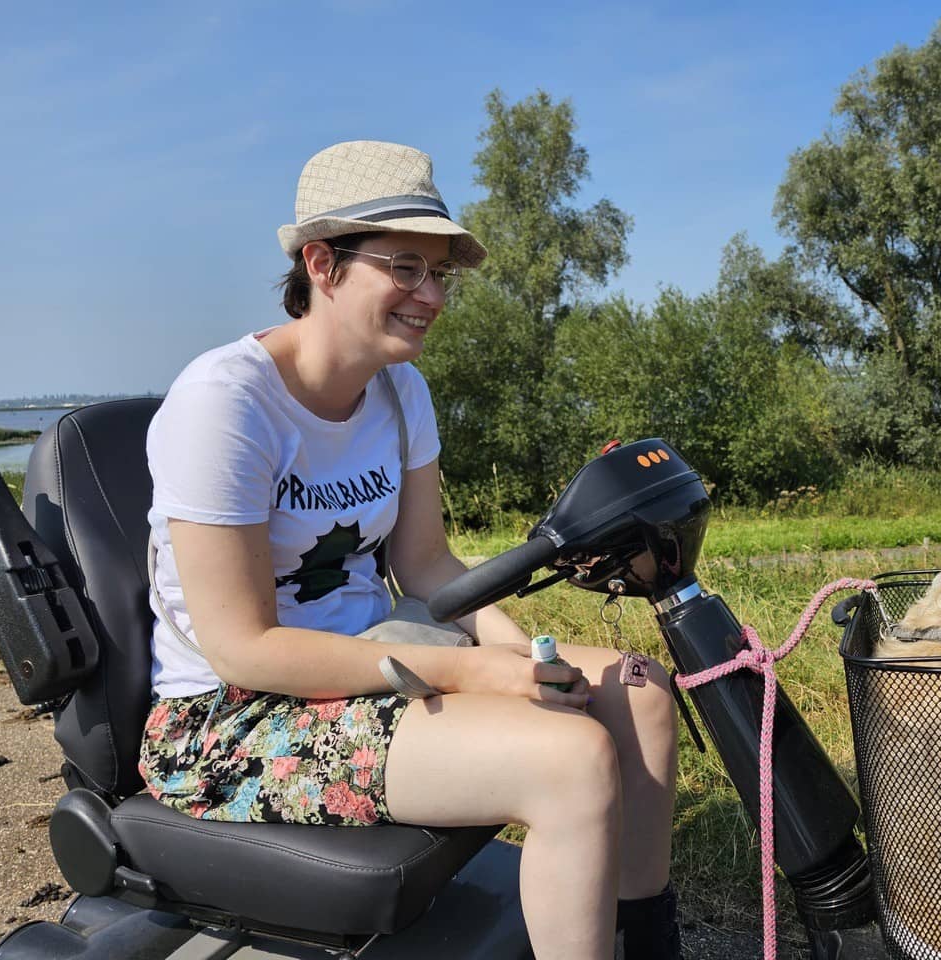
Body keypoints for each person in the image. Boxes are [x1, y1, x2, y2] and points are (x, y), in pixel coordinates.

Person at [139, 140, 681, 960]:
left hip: (380, 656)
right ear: (322, 264)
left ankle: (646, 944)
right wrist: (470, 672)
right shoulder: (226, 406)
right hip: (232, 717)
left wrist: (519, 655)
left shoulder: (400, 391)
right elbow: (242, 647)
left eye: (440, 273)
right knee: (571, 760)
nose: (431, 295)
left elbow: (426, 567)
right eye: (406, 267)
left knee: (640, 699)